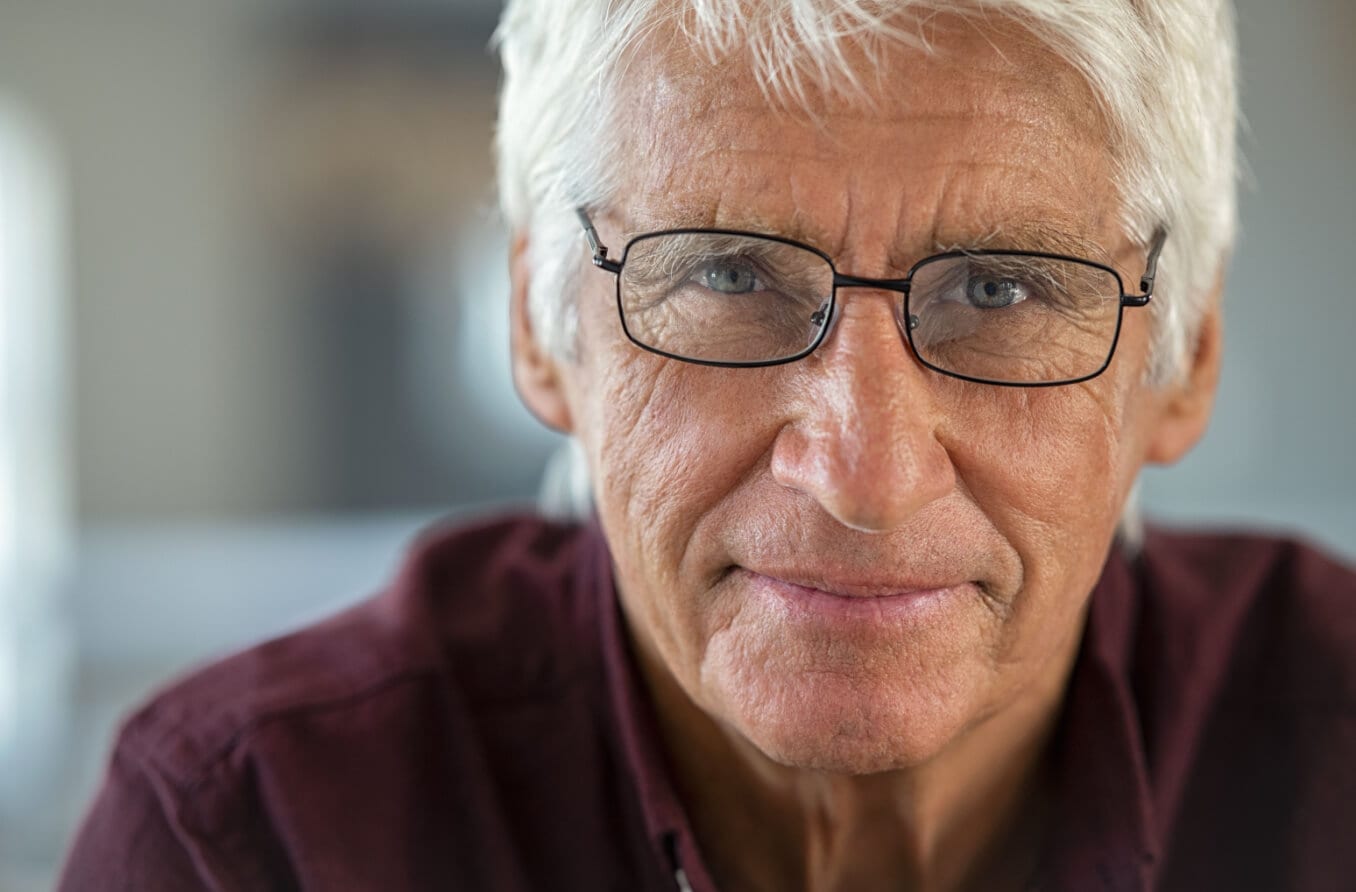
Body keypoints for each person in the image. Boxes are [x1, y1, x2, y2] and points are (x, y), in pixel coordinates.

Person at [59, 1, 1356, 890]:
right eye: (731, 276)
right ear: (537, 323)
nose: (863, 473)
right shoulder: (253, 840)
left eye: (1002, 292)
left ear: (1180, 355)